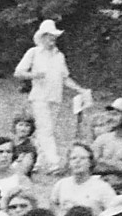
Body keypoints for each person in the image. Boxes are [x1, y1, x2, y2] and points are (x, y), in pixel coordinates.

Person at [13, 20, 86, 156]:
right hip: (39, 98)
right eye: (49, 36)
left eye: (54, 36)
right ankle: (53, 161)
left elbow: (65, 78)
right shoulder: (33, 53)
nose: (52, 39)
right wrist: (34, 75)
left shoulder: (59, 56)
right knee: (45, 129)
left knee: (47, 130)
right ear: (42, 37)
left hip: (55, 98)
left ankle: (37, 158)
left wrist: (79, 89)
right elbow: (18, 72)